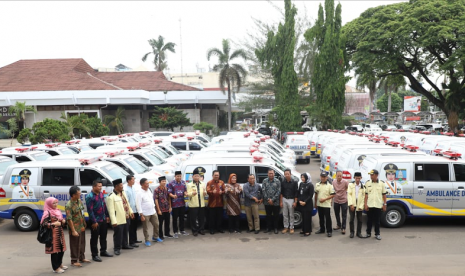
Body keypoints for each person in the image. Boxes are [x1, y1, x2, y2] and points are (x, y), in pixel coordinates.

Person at [85, 179, 113, 262]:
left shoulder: (101, 194)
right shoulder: (89, 197)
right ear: (94, 187)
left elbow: (104, 205)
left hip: (103, 219)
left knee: (103, 236)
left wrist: (107, 215)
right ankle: (95, 255)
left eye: (101, 186)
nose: (101, 188)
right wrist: (94, 222)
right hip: (95, 221)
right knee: (94, 238)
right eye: (99, 186)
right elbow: (90, 211)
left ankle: (103, 251)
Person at [107, 179, 134, 255]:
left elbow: (127, 203)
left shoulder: (123, 193)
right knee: (118, 234)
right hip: (118, 218)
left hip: (126, 216)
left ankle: (125, 245)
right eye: (121, 185)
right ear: (116, 186)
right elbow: (111, 211)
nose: (122, 187)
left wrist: (130, 212)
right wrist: (114, 221)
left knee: (125, 231)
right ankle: (117, 248)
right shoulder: (111, 197)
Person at [65, 186, 90, 267]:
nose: (80, 195)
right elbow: (69, 219)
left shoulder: (79, 201)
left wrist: (84, 222)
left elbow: (82, 212)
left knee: (82, 243)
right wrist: (73, 230)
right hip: (75, 228)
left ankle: (81, 257)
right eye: (78, 194)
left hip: (81, 226)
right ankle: (74, 260)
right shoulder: (69, 205)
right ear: (73, 195)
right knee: (75, 244)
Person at [42, 197, 67, 273]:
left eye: (56, 203)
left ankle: (59, 264)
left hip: (59, 233)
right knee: (54, 251)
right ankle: (55, 268)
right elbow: (43, 224)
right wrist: (53, 224)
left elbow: (58, 219)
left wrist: (62, 220)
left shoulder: (57, 210)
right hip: (52, 235)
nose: (56, 205)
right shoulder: (47, 212)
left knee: (61, 249)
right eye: (54, 203)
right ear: (49, 204)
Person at [136, 178, 163, 247]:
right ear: (142, 184)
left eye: (148, 183)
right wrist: (141, 214)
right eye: (146, 183)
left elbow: (151, 200)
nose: (148, 185)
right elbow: (138, 204)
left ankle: (155, 237)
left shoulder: (149, 190)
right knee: (146, 228)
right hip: (145, 213)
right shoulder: (139, 193)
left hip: (152, 211)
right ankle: (147, 240)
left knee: (156, 224)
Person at [364, 169, 387, 240]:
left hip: (378, 205)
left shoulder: (382, 183)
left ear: (376, 175)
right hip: (370, 204)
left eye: (372, 175)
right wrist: (365, 204)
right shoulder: (368, 183)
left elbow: (384, 195)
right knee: (369, 220)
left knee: (377, 221)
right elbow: (366, 195)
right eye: (370, 175)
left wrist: (384, 204)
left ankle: (377, 234)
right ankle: (368, 233)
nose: (371, 176)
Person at [167, 171, 189, 238]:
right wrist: (173, 196)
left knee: (182, 218)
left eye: (180, 176)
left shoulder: (183, 182)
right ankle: (175, 232)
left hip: (182, 203)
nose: (179, 177)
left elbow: (185, 190)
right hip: (175, 204)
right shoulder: (171, 183)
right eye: (177, 176)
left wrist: (186, 193)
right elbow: (169, 192)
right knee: (175, 219)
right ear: (175, 176)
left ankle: (182, 230)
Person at [186, 168, 207, 236]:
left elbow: (205, 193)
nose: (197, 177)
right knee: (193, 219)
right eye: (195, 176)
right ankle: (194, 230)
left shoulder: (203, 184)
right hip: (193, 204)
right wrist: (192, 193)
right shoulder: (189, 184)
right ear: (192, 177)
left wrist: (204, 192)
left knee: (201, 218)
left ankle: (201, 229)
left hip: (201, 204)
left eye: (198, 176)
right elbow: (187, 194)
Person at [314, 172, 335, 237]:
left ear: (327, 178)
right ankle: (322, 229)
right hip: (319, 204)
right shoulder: (317, 184)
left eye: (324, 177)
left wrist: (325, 199)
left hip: (326, 204)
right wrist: (315, 203)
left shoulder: (330, 186)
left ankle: (329, 231)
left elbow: (333, 195)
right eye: (322, 177)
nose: (323, 178)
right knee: (321, 217)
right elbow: (316, 194)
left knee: (328, 218)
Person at [206, 170, 225, 235]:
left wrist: (222, 192)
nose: (216, 176)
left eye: (217, 175)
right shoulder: (209, 183)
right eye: (215, 175)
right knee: (212, 218)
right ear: (212, 175)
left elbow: (224, 190)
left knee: (219, 217)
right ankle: (211, 229)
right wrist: (212, 192)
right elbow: (207, 191)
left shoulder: (221, 182)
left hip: (220, 203)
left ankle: (219, 228)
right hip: (212, 204)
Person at [124, 175, 141, 247]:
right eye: (133, 180)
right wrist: (129, 212)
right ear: (129, 181)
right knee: (131, 227)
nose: (134, 181)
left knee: (135, 225)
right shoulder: (126, 190)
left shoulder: (133, 188)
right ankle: (131, 242)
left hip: (135, 209)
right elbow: (127, 201)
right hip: (131, 211)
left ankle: (134, 239)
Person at [262, 168, 281, 234]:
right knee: (268, 216)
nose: (271, 175)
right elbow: (263, 191)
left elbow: (279, 191)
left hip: (276, 202)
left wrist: (272, 200)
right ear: (267, 174)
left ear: (274, 174)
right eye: (269, 173)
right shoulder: (264, 181)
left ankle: (275, 228)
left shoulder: (277, 181)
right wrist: (268, 199)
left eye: (272, 173)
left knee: (276, 216)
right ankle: (268, 228)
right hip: (267, 202)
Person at [348, 172, 366, 238]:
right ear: (354, 178)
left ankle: (359, 233)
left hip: (359, 203)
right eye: (356, 178)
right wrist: (351, 204)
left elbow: (364, 196)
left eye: (359, 178)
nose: (357, 180)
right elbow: (349, 195)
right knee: (351, 219)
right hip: (352, 203)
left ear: (361, 178)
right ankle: (352, 232)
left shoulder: (363, 186)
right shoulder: (350, 185)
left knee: (360, 220)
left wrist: (361, 206)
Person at [280, 168, 298, 234]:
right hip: (284, 199)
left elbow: (296, 193)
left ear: (290, 174)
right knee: (285, 214)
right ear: (284, 175)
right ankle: (286, 227)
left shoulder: (294, 182)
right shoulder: (283, 182)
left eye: (288, 174)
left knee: (291, 214)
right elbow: (281, 193)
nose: (287, 175)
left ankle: (291, 228)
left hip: (291, 199)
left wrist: (295, 202)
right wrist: (281, 202)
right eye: (285, 174)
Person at [332, 171, 349, 235]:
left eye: (340, 176)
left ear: (342, 176)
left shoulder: (345, 182)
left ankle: (343, 228)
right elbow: (333, 190)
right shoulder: (333, 182)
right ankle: (338, 225)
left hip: (343, 200)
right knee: (336, 214)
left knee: (344, 215)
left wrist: (346, 195)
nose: (339, 177)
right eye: (338, 176)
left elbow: (348, 188)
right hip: (336, 200)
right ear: (336, 176)